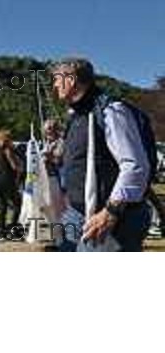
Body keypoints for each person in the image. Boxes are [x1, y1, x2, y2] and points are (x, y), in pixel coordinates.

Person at [52, 58, 152, 252]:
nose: (55, 85)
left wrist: (111, 212)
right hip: (76, 214)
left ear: (70, 80)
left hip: (109, 220)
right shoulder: (77, 115)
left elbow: (135, 166)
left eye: (57, 79)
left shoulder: (111, 111)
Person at [0, 129, 23, 233]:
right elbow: (13, 166)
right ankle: (13, 227)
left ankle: (2, 229)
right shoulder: (7, 150)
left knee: (3, 205)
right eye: (10, 137)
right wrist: (20, 168)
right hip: (7, 179)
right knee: (17, 203)